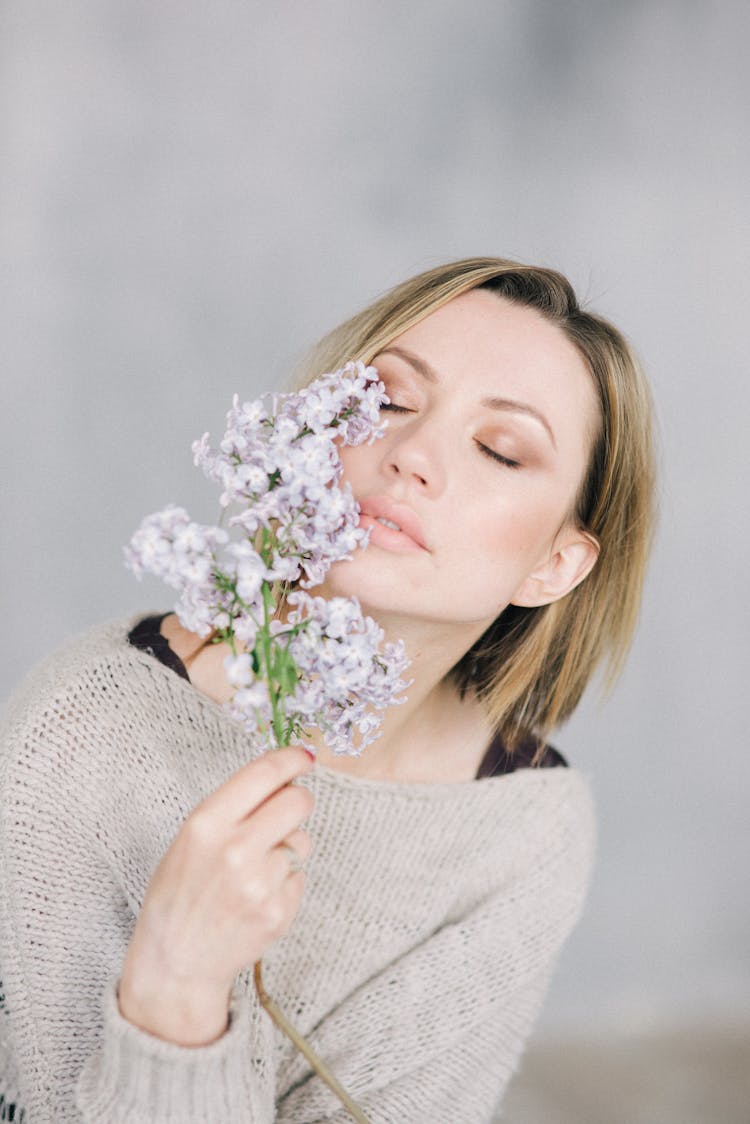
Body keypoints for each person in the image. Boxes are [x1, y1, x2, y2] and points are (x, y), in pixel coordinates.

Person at [0, 257, 656, 1122]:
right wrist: (174, 996)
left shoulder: (524, 832)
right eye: (386, 399)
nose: (413, 454)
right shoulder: (91, 725)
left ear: (554, 565)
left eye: (501, 449)